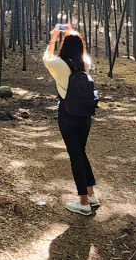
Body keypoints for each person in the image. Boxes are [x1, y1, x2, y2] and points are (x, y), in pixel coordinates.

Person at [42, 25, 99, 215]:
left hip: (67, 114)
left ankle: (83, 203)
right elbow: (84, 55)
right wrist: (74, 33)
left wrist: (53, 38)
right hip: (86, 114)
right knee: (81, 152)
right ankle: (91, 195)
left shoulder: (59, 65)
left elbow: (46, 58)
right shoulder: (86, 63)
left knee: (75, 155)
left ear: (64, 46)